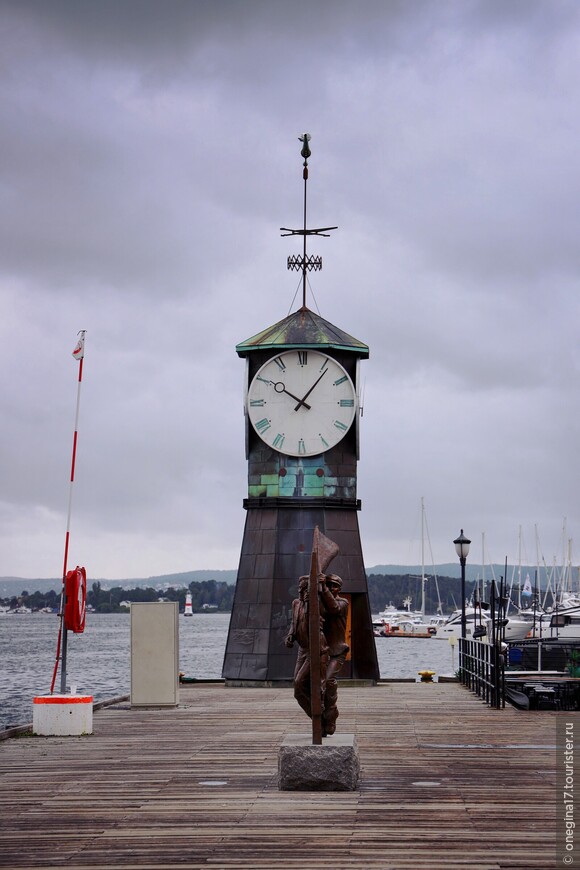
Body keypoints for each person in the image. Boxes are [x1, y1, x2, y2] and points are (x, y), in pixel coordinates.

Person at [285, 576, 329, 720]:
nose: (302, 592)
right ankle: (317, 717)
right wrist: (291, 635)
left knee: (300, 682)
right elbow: (294, 622)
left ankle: (320, 712)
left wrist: (312, 601)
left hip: (315, 649)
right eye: (300, 589)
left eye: (305, 589)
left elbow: (323, 615)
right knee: (297, 690)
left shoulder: (317, 605)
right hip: (302, 649)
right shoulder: (296, 604)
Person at [319, 574, 349, 736]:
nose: (331, 588)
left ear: (340, 589)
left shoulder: (343, 603)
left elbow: (333, 608)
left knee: (329, 681)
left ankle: (331, 712)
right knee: (317, 685)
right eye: (328, 585)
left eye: (334, 586)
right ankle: (320, 718)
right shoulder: (321, 601)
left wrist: (322, 587)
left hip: (338, 650)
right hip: (321, 649)